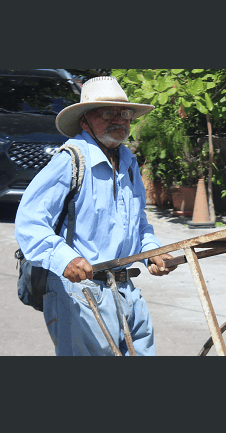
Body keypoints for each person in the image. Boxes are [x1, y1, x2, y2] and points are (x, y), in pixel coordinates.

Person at [15, 76, 177, 356]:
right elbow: (30, 221)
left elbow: (139, 224)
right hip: (78, 293)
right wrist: (66, 259)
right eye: (106, 112)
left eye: (124, 113)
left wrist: (152, 251)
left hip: (126, 289)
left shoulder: (127, 162)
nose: (119, 120)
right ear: (84, 121)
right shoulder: (71, 160)